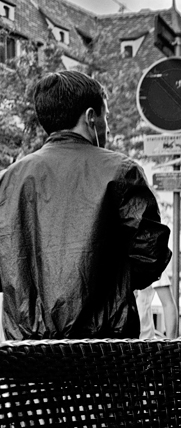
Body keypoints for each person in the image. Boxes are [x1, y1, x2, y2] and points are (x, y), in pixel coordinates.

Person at [0, 70, 171, 339]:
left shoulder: (7, 181)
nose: (108, 126)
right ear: (91, 116)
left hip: (28, 347)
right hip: (104, 344)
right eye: (106, 117)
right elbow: (151, 254)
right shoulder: (121, 171)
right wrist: (112, 285)